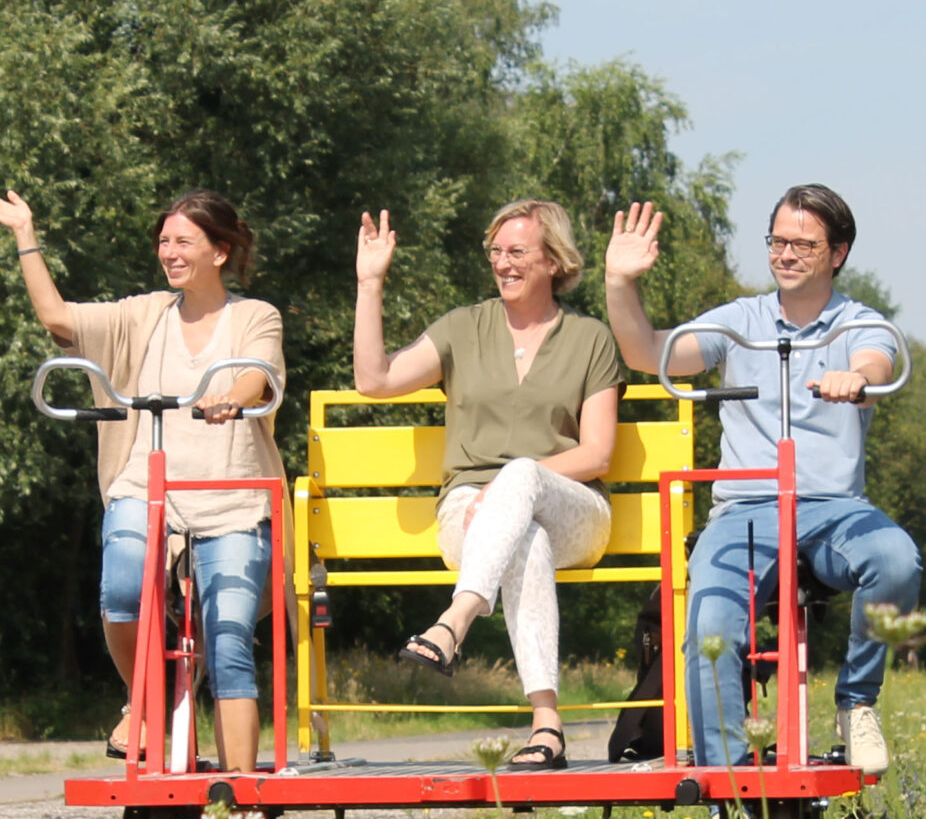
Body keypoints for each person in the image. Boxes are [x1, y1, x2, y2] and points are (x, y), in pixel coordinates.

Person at [605, 187, 922, 819]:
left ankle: (856, 705)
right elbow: (648, 353)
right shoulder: (737, 322)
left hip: (831, 508)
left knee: (895, 561)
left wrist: (855, 378)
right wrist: (619, 284)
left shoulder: (854, 322)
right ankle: (729, 793)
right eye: (777, 241)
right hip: (747, 507)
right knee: (712, 625)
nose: (786, 254)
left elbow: (876, 356)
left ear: (837, 253)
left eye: (803, 244)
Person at [0, 187, 286, 772]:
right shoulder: (142, 313)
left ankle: (238, 808)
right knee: (123, 594)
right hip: (146, 485)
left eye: (184, 241)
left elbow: (257, 375)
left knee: (229, 644)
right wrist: (24, 235)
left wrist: (229, 398)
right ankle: (150, 701)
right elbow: (58, 318)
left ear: (220, 252)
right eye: (164, 241)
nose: (170, 252)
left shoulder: (255, 316)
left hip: (230, 496)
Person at [354, 199, 622, 769]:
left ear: (553, 259)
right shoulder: (462, 327)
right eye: (496, 252)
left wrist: (509, 485)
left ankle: (456, 620)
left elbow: (597, 453)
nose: (503, 263)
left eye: (517, 252)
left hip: (571, 507)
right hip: (470, 517)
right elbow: (373, 381)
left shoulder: (590, 337)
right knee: (525, 541)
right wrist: (370, 284)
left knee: (521, 475)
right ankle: (547, 726)